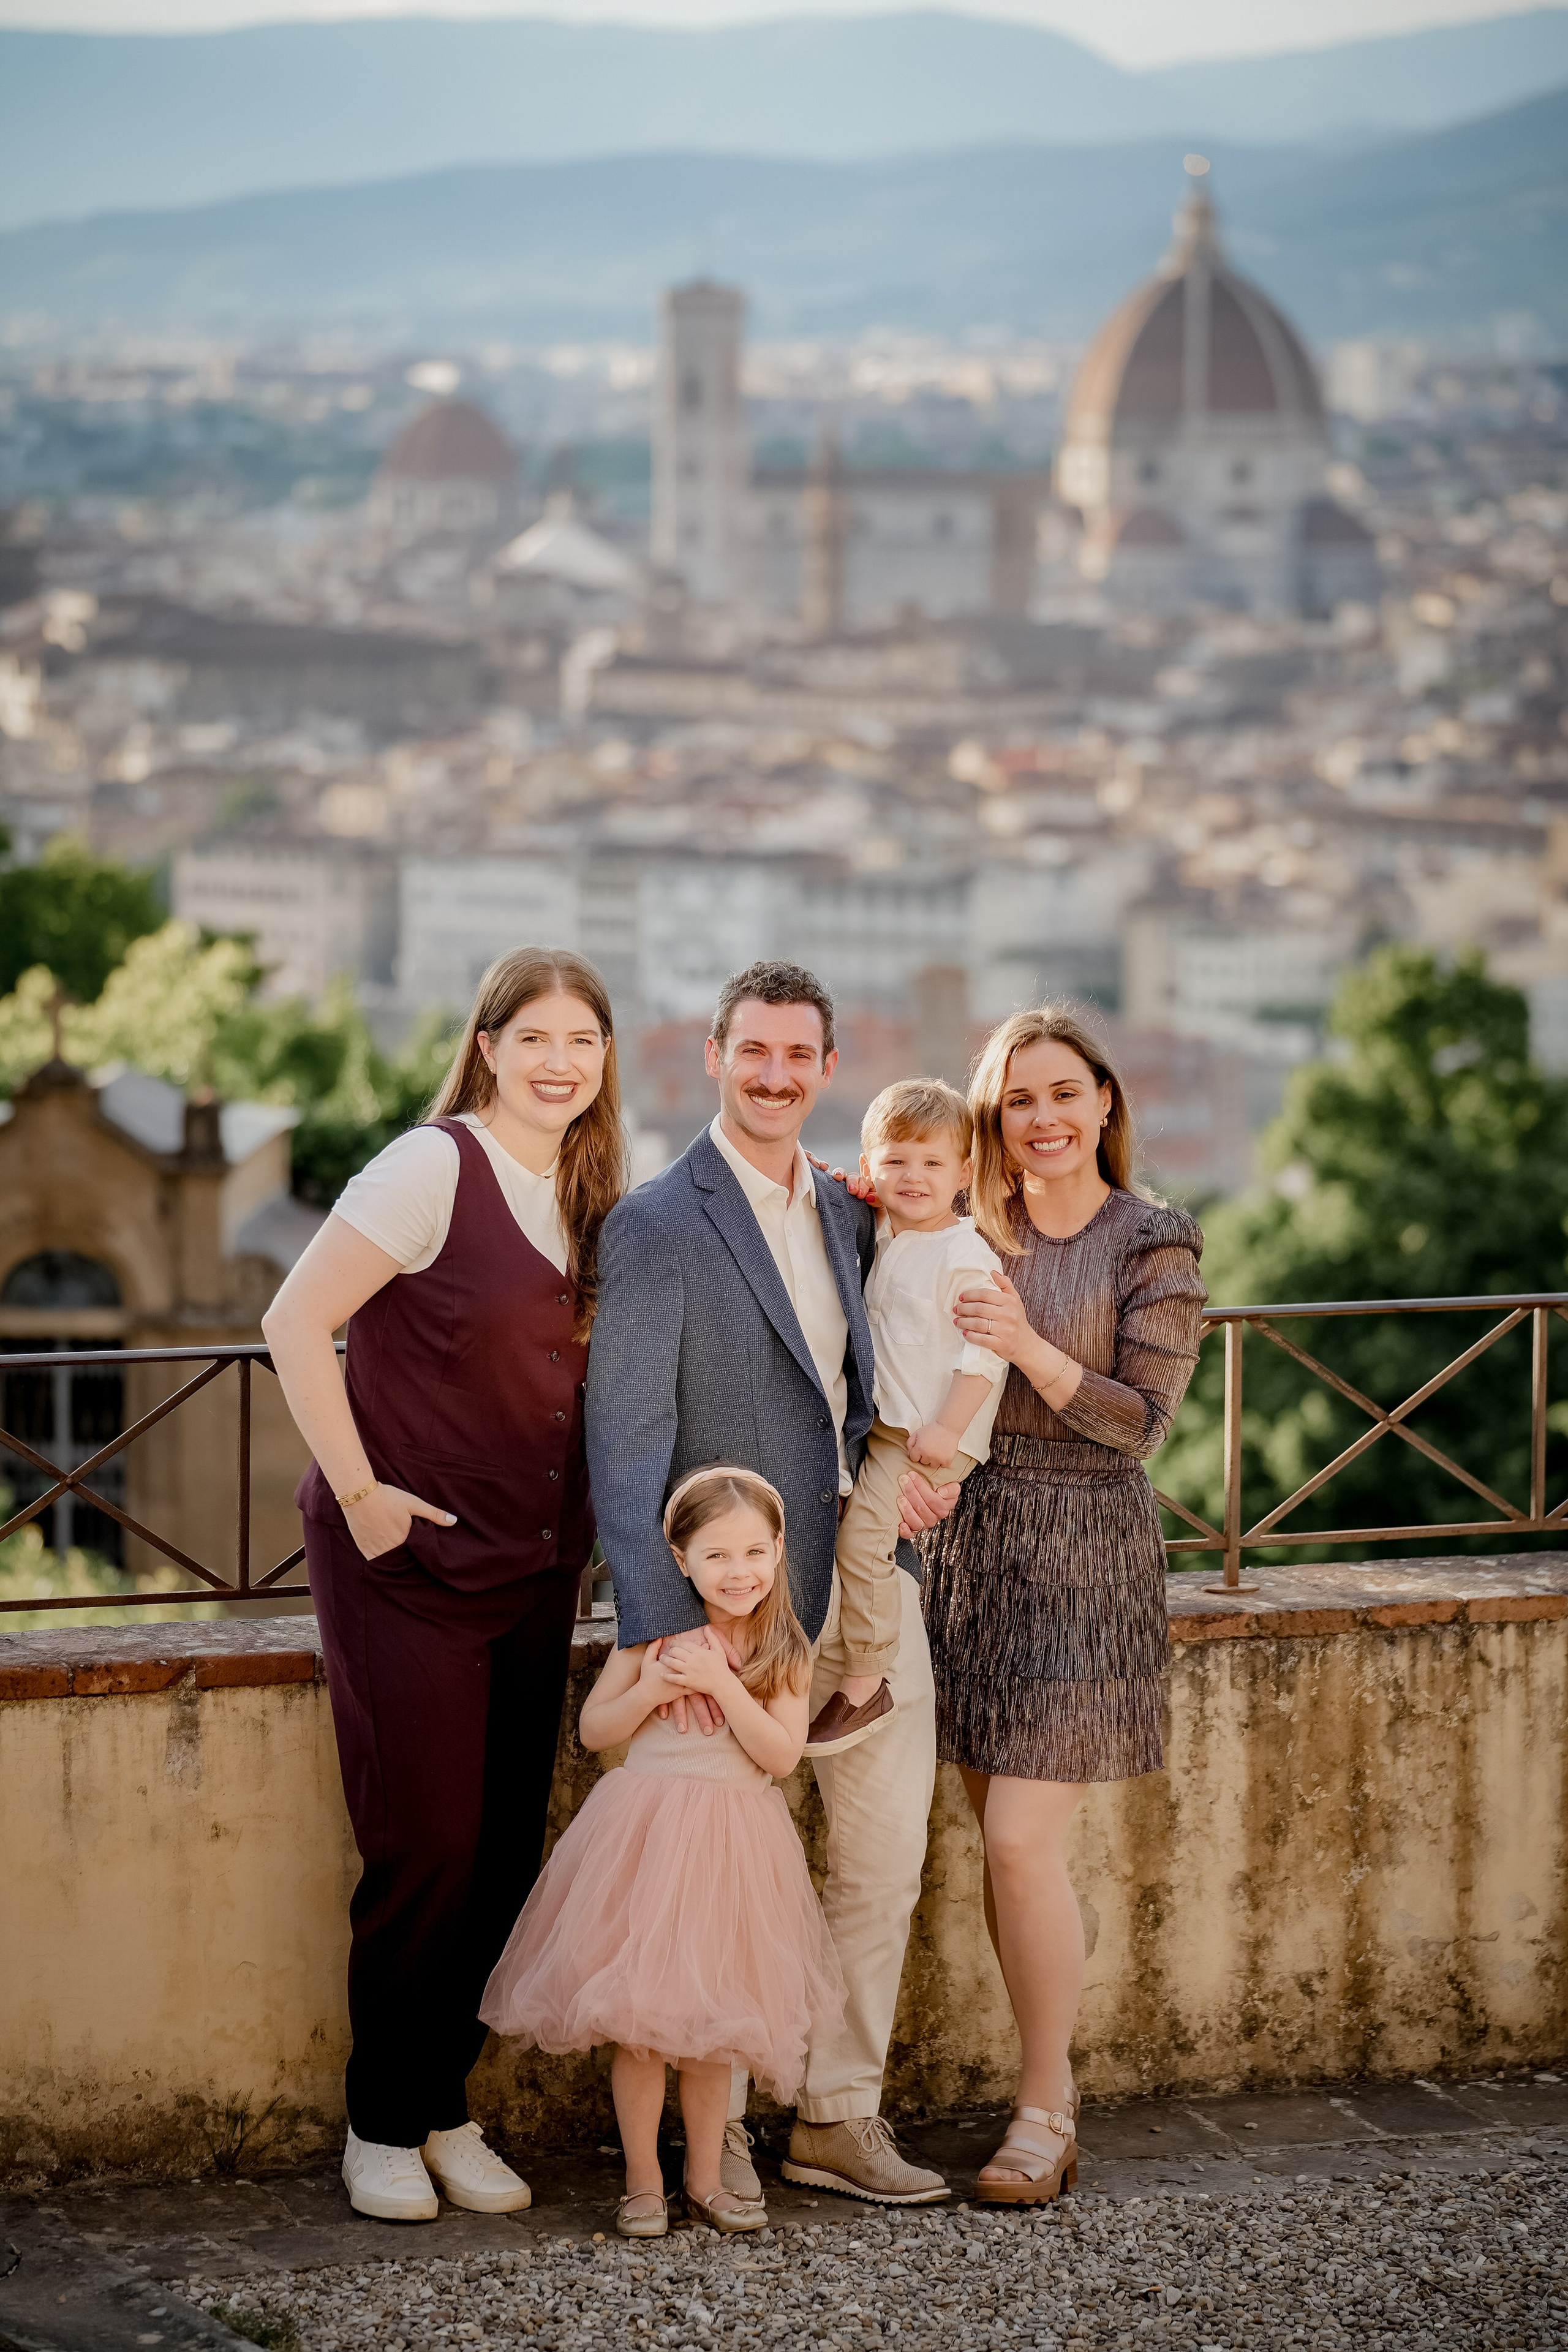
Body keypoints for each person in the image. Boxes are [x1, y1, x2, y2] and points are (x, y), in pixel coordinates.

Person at [585, 959, 958, 2208]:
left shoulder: (855, 1214)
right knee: (706, 1898)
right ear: (713, 1055)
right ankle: (716, 2138)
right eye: (755, 1052)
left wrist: (922, 1469)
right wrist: (665, 1640)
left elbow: (888, 1371)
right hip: (719, 1613)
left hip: (854, 1600)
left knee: (879, 1861)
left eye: (799, 1057)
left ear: (825, 1069)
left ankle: (837, 2117)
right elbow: (627, 1442)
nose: (776, 1076)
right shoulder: (652, 1224)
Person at [262, 948, 626, 2223]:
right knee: (425, 1849)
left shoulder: (584, 1184)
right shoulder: (432, 1167)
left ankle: (442, 2106)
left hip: (531, 1569)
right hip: (405, 1565)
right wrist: (360, 1496)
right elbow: (293, 1323)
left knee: (504, 1860)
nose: (558, 1060)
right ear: (484, 1046)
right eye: (533, 1035)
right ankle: (377, 2122)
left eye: (582, 1039)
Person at [919, 1005, 1205, 2204]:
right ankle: (1046, 2088)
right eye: (1015, 1101)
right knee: (1005, 1856)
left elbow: (1140, 1426)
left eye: (1059, 1094)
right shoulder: (962, 1230)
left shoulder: (1154, 1241)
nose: (1040, 1118)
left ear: (1102, 1103)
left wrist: (1029, 1350)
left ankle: (1044, 2108)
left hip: (1086, 1556)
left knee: (1016, 1841)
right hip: (970, 1551)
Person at [480, 1466, 844, 2239]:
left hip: (735, 1854)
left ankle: (706, 2179)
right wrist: (652, 1688)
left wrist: (723, 1682)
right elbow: (594, 1731)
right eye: (716, 1555)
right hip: (645, 1843)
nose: (738, 1571)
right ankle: (644, 2181)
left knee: (716, 2033)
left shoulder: (785, 1644)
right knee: (642, 2028)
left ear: (779, 1552)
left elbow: (781, 1755)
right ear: (680, 1561)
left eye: (754, 1552)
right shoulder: (650, 1632)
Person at [805, 1079, 1010, 1758]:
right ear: (870, 1169)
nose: (912, 1177)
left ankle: (866, 1681)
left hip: (931, 1432)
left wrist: (948, 1429)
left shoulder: (963, 1252)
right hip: (895, 1427)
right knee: (855, 1531)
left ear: (964, 1173)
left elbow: (985, 1351)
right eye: (895, 1162)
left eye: (931, 1163)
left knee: (862, 1542)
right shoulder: (889, 1232)